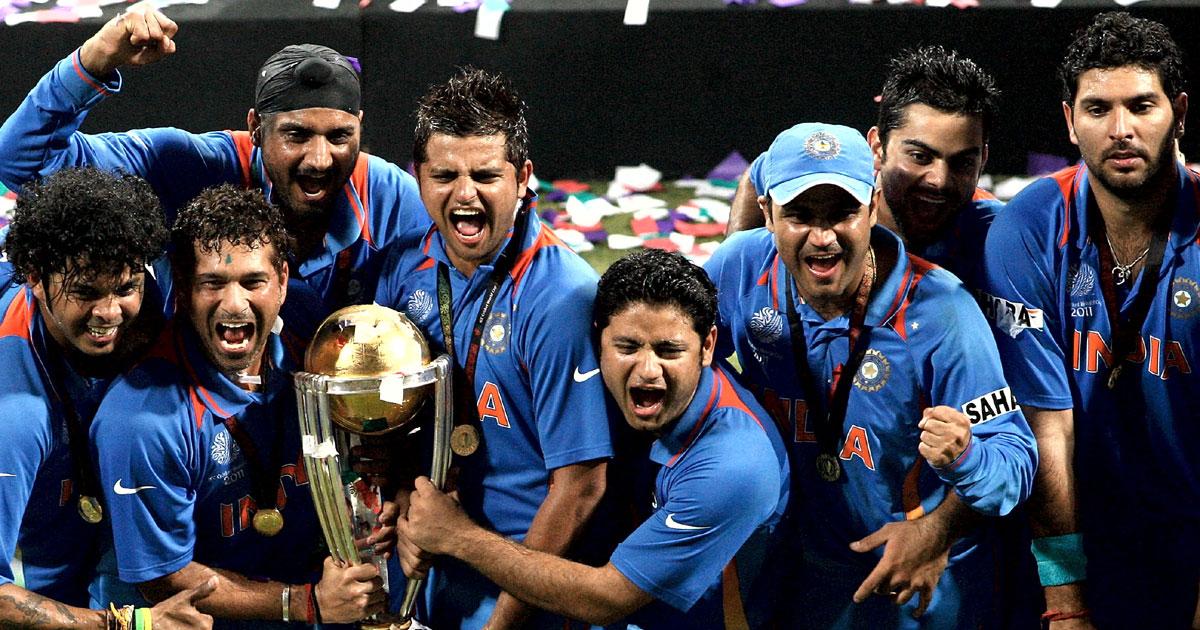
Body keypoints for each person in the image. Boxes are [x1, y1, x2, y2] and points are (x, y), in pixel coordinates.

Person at [705, 122, 1038, 628]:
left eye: (842, 213)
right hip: (798, 576)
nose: (823, 238)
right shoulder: (742, 268)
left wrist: (966, 458)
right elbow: (681, 360)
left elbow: (1016, 461)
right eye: (799, 215)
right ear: (768, 214)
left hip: (915, 587)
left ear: (873, 207)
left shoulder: (942, 313)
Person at [398, 249, 789, 628]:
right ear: (599, 339)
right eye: (627, 347)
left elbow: (607, 598)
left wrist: (459, 537)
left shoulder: (734, 465)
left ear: (707, 347)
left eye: (669, 351)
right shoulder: (603, 387)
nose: (648, 370)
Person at [0, 2, 429, 338]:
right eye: (296, 135)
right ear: (255, 128)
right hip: (198, 402)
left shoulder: (389, 196)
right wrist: (92, 61)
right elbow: (21, 162)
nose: (319, 159)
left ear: (360, 128)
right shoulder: (194, 167)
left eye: (339, 137)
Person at [374, 68, 614, 629]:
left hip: (523, 589)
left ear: (523, 177)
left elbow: (580, 488)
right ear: (418, 177)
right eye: (445, 175)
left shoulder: (559, 296)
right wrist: (404, 500)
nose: (465, 194)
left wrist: (502, 624)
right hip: (428, 566)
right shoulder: (402, 268)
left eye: (485, 175)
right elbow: (390, 415)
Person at [982, 12, 1198, 629]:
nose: (1121, 130)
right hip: (1078, 535)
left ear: (1179, 113)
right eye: (1098, 109)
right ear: (1070, 121)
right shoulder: (1028, 228)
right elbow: (1047, 427)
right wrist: (1067, 602)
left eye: (1142, 106)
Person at [90, 185, 386, 626]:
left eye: (253, 282)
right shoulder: (139, 421)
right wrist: (305, 602)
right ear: (184, 288)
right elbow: (164, 578)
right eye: (212, 283)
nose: (233, 304)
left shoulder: (308, 330)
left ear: (282, 281)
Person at [0, 167, 214, 628]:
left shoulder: (154, 298)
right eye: (85, 292)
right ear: (34, 277)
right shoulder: (14, 418)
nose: (109, 312)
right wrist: (129, 625)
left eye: (125, 288)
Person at [726, 47, 1001, 288]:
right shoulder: (834, 175)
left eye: (963, 162)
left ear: (983, 159)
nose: (939, 180)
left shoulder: (997, 232)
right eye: (920, 156)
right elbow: (758, 174)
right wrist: (736, 264)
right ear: (877, 148)